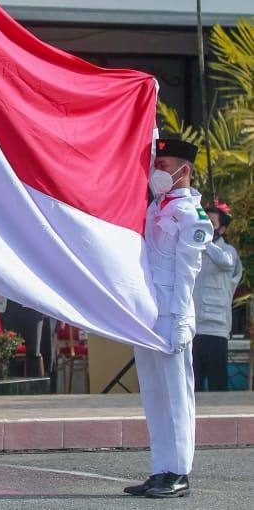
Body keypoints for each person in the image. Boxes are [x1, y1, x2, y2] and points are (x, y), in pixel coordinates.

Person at [124, 136, 212, 499]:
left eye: (162, 166)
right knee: (154, 394)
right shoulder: (155, 206)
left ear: (184, 170)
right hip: (148, 312)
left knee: (177, 396)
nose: (156, 172)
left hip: (172, 313)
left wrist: (177, 318)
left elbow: (187, 272)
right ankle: (161, 469)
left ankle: (179, 472)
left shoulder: (192, 215)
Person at [192, 205, 243, 392]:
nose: (206, 226)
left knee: (217, 387)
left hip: (216, 330)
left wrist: (204, 240)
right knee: (193, 387)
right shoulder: (194, 252)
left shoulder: (228, 251)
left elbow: (225, 262)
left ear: (221, 229)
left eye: (211, 223)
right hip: (193, 329)